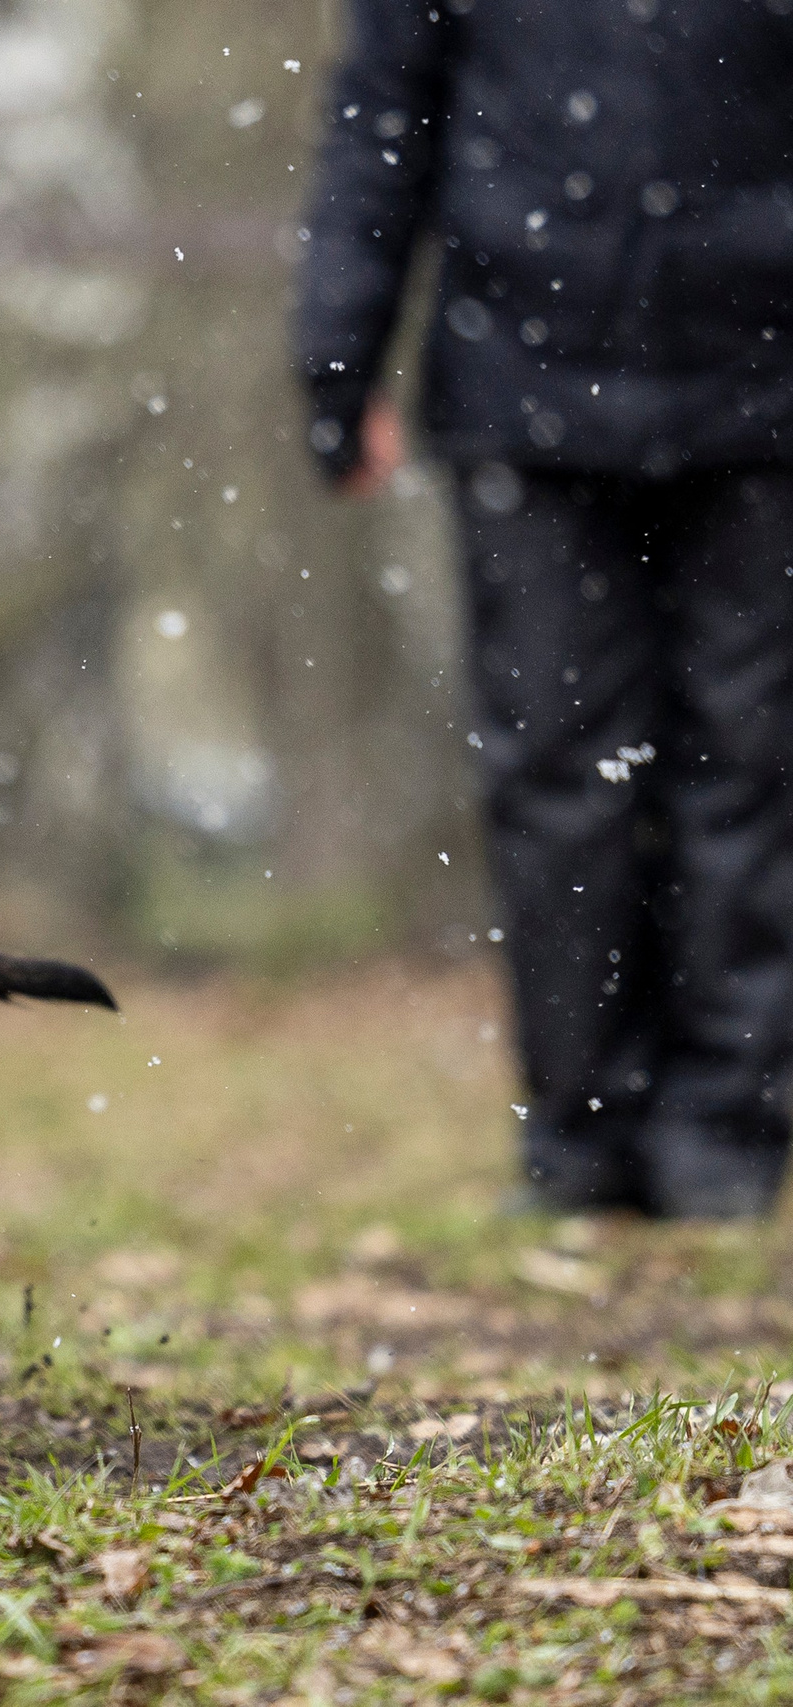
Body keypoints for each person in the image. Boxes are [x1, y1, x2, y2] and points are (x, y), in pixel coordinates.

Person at [293, 0, 793, 1218]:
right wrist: (337, 356)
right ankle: (581, 1135)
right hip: (527, 386)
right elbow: (383, 116)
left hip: (759, 388)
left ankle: (719, 1136)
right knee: (562, 778)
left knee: (746, 761)